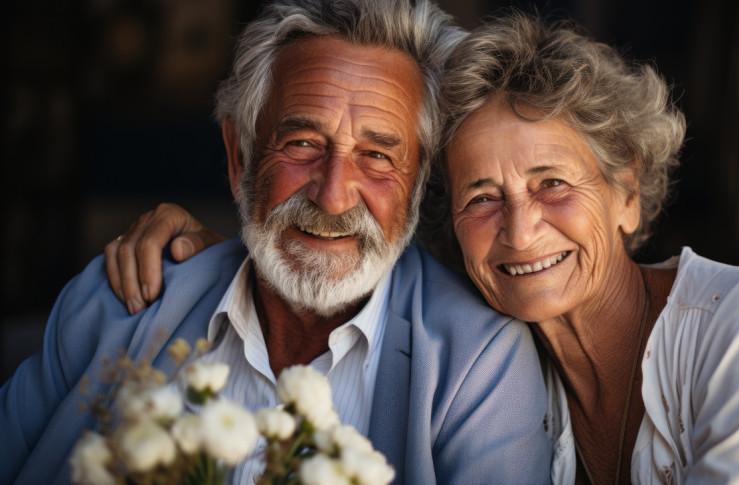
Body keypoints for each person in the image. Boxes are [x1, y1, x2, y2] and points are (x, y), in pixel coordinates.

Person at [118, 11, 739, 484]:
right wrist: (233, 261)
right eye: (482, 197)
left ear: (628, 190)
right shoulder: (500, 373)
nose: (521, 228)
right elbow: (341, 240)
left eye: (553, 182)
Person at [0, 2, 553, 484]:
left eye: (377, 155)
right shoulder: (119, 302)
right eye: (303, 143)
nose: (334, 198)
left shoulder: (478, 365)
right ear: (240, 153)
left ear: (417, 182)